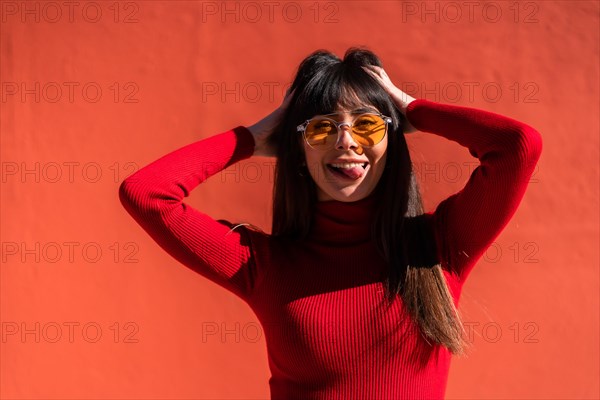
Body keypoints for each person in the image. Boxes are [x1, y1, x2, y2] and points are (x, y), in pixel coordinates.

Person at [119, 47, 543, 399]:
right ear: (299, 150)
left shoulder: (439, 245)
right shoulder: (265, 266)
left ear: (393, 140)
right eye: (321, 129)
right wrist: (255, 136)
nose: (346, 141)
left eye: (366, 124)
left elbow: (518, 147)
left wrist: (412, 108)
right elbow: (147, 193)